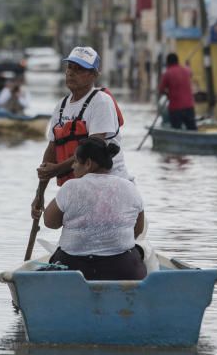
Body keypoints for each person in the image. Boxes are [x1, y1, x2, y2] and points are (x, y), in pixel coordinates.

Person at [31, 137, 146, 281]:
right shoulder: (130, 187)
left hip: (73, 267)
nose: (72, 166)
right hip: (121, 268)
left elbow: (50, 223)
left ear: (88, 164)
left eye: (75, 161)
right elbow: (138, 230)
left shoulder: (70, 187)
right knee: (139, 253)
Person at [32, 46, 127, 217]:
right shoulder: (61, 106)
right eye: (69, 67)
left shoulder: (101, 102)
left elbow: (93, 150)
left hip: (109, 184)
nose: (71, 73)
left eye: (79, 69)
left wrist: (57, 169)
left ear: (94, 75)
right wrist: (40, 194)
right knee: (50, 219)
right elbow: (52, 150)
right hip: (78, 185)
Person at [157, 52, 196, 131]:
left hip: (176, 108)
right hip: (189, 107)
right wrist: (187, 65)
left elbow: (161, 90)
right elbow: (191, 73)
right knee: (192, 130)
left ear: (168, 63)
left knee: (176, 130)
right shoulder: (186, 71)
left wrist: (168, 94)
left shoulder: (167, 73)